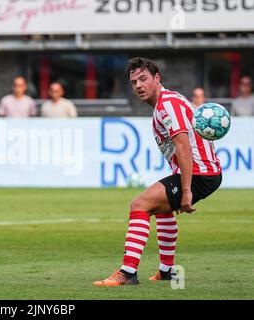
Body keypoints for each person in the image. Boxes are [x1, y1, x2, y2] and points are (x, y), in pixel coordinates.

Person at [93, 57, 222, 287]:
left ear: (157, 78)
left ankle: (127, 273)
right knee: (160, 210)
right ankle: (166, 271)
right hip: (204, 172)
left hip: (199, 174)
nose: (139, 86)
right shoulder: (165, 103)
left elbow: (183, 146)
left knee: (139, 205)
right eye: (134, 82)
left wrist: (185, 191)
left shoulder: (167, 105)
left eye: (143, 79)